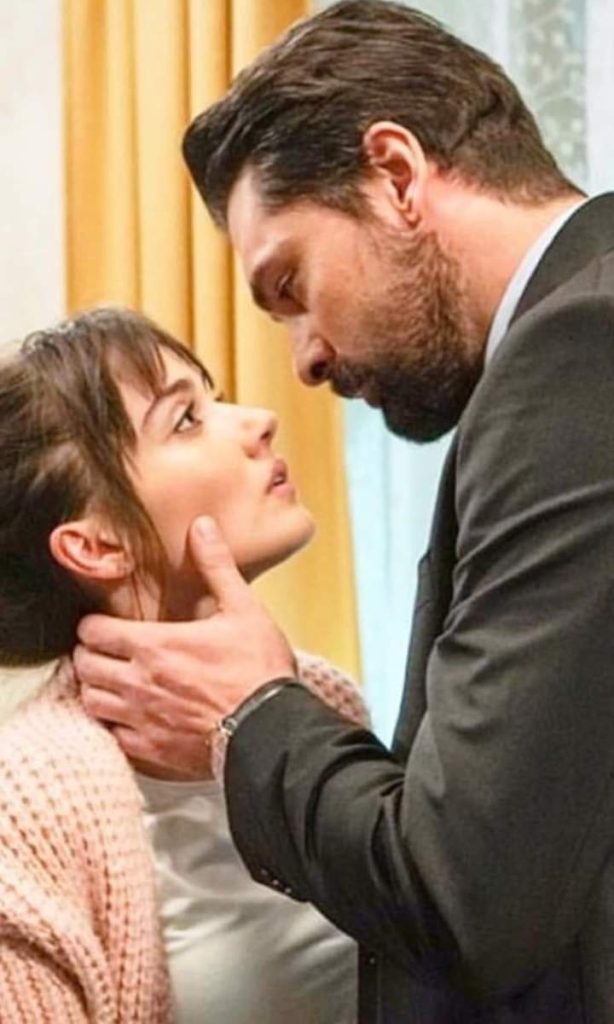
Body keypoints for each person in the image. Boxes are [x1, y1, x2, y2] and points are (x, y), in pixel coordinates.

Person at [75, 1, 614, 1020]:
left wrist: (252, 714)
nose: (305, 363)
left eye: (291, 284)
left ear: (396, 175)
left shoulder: (578, 349)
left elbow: (467, 896)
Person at [0, 306, 361, 1022]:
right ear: (98, 546)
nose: (258, 421)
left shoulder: (324, 698)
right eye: (186, 419)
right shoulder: (25, 806)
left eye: (214, 397)